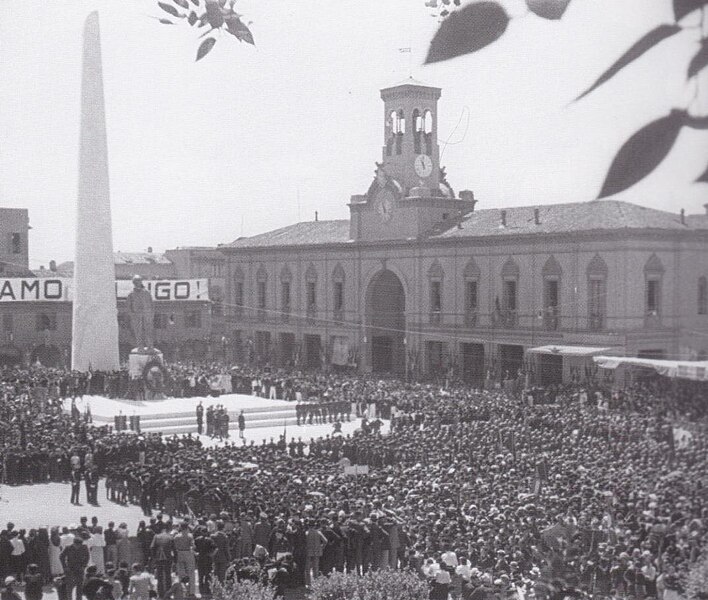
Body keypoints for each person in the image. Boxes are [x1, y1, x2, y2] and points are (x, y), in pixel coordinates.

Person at [173, 522, 196, 597]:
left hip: (179, 553)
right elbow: (193, 546)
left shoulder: (176, 536)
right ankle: (191, 591)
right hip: (188, 553)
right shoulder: (190, 536)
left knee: (181, 573)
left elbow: (175, 547)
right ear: (187, 527)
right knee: (191, 573)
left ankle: (181, 590)